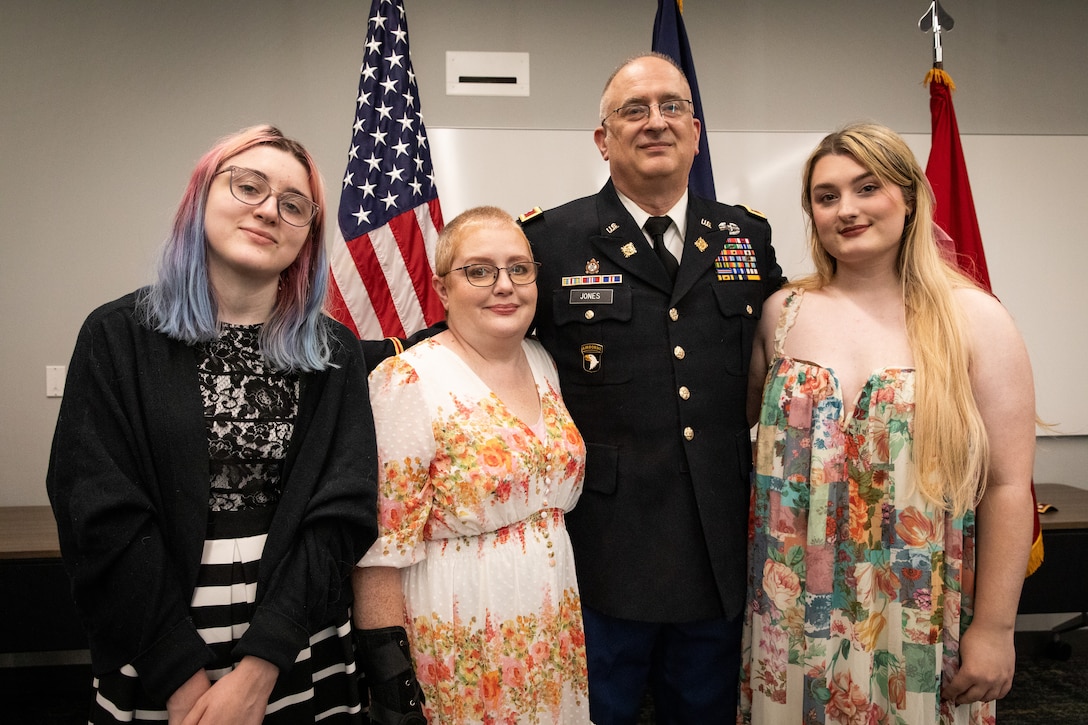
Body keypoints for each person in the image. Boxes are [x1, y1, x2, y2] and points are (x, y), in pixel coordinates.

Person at [46, 125, 379, 724]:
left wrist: (262, 668)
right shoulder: (117, 336)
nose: (267, 211)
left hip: (297, 637)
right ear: (200, 197)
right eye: (248, 186)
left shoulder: (336, 353)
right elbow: (99, 512)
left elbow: (343, 512)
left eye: (292, 204)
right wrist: (178, 676)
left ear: (307, 237)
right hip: (157, 638)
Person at [739, 123, 1035, 723]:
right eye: (826, 196)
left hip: (918, 611)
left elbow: (1007, 486)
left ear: (909, 197)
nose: (846, 209)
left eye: (867, 187)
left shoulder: (975, 319)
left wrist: (996, 627)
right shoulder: (781, 314)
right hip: (792, 614)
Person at [520, 53, 785, 723]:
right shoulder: (551, 240)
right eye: (633, 110)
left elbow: (793, 339)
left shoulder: (744, 235)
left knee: (703, 709)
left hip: (716, 534)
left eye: (672, 107)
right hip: (603, 541)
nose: (655, 122)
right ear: (603, 140)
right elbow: (475, 335)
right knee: (595, 709)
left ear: (696, 133)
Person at [354, 206, 591, 724]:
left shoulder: (543, 361)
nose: (503, 285)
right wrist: (392, 685)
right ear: (442, 289)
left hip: (549, 619)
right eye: (479, 270)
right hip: (458, 629)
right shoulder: (407, 380)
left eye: (519, 269)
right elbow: (379, 551)